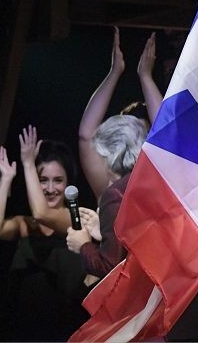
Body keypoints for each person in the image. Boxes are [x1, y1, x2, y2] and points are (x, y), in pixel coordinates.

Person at [0, 126, 87, 341]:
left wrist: (28, 164)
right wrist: (6, 178)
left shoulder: (75, 219)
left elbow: (42, 213)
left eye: (58, 180)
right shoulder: (26, 224)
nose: (50, 188)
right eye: (43, 180)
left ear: (68, 183)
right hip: (25, 328)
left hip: (65, 330)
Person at [79, 27, 162, 200]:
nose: (131, 142)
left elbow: (167, 133)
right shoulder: (109, 181)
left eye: (140, 136)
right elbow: (87, 135)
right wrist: (114, 71)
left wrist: (146, 76)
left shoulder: (161, 178)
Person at [66, 115, 147, 281]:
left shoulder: (115, 195)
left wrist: (83, 245)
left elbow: (109, 267)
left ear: (110, 154)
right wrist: (106, 234)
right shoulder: (150, 182)